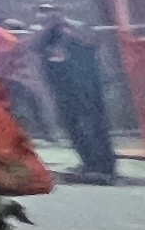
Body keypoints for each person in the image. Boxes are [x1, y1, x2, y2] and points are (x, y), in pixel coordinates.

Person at [36, 13, 119, 184]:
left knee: (94, 127)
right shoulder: (47, 38)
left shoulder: (77, 37)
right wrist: (48, 29)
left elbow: (91, 41)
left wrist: (68, 27)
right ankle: (90, 163)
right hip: (63, 93)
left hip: (85, 91)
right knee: (73, 127)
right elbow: (31, 46)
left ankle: (103, 167)